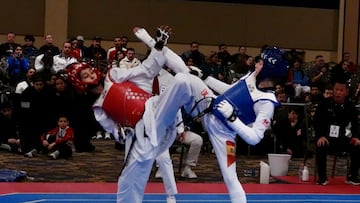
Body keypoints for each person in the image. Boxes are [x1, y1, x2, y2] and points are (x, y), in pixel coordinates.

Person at [135, 29, 289, 202]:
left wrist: (232, 118)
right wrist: (205, 77)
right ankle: (152, 42)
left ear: (269, 69)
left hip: (225, 134)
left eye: (261, 62)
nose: (256, 63)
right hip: (209, 105)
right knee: (185, 74)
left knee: (231, 178)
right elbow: (231, 92)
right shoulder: (252, 75)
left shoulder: (266, 102)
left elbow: (254, 137)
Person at [66, 25, 188, 203]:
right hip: (138, 133)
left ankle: (171, 195)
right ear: (81, 84)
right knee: (130, 176)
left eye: (90, 70)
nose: (91, 74)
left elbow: (146, 70)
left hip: (154, 113)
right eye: (85, 75)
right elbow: (115, 132)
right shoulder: (99, 108)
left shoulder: (113, 75)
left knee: (184, 79)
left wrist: (159, 45)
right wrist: (121, 133)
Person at [313, 79, 360, 185]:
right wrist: (320, 135)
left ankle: (352, 175)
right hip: (326, 137)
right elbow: (316, 121)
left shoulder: (350, 106)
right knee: (321, 145)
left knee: (357, 145)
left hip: (344, 138)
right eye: (336, 90)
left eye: (341, 90)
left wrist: (356, 137)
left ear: (346, 92)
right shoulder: (324, 104)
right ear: (333, 90)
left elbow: (355, 124)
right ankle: (322, 177)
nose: (338, 92)